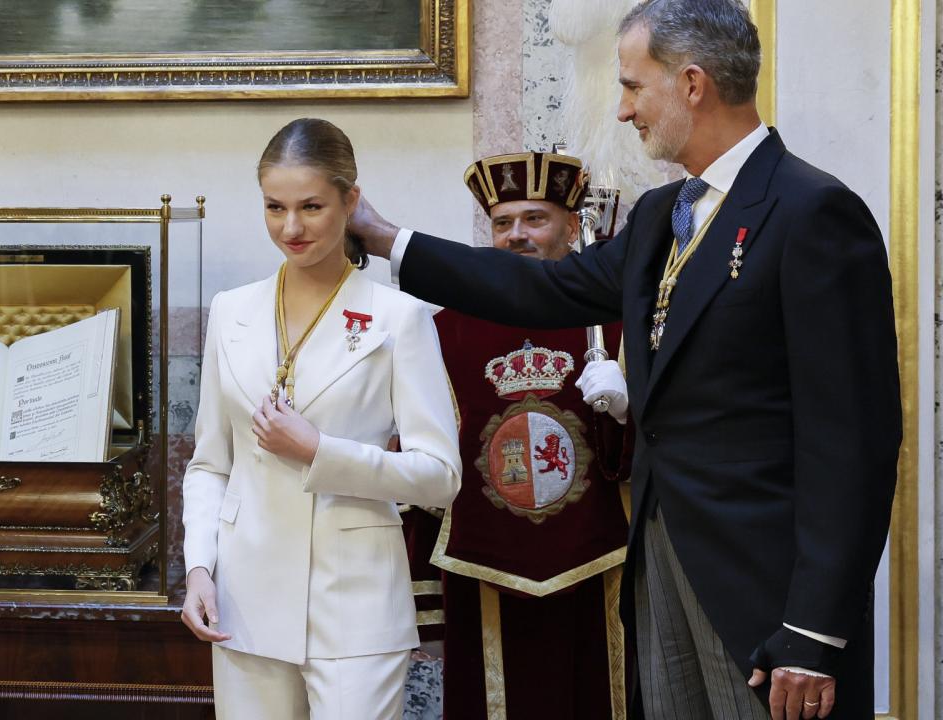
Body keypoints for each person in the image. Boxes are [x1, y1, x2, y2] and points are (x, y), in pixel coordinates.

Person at [348, 1, 902, 718]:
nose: (621, 111)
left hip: (765, 595)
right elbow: (544, 289)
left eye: (634, 87)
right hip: (662, 567)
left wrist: (816, 628)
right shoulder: (661, 215)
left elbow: (854, 441)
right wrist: (390, 239)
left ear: (693, 84)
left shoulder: (811, 211)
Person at [180, 117, 462, 720]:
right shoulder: (230, 312)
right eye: (274, 207)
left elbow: (440, 476)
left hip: (354, 602)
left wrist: (320, 451)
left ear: (350, 200)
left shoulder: (399, 318)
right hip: (243, 601)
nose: (291, 227)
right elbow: (209, 463)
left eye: (311, 206)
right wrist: (199, 567)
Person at [428, 151, 634, 719]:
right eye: (502, 222)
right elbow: (424, 465)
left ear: (573, 227)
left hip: (599, 566)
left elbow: (670, 448)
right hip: (483, 567)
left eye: (534, 219)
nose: (515, 235)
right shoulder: (443, 332)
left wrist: (627, 412)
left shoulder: (618, 324)